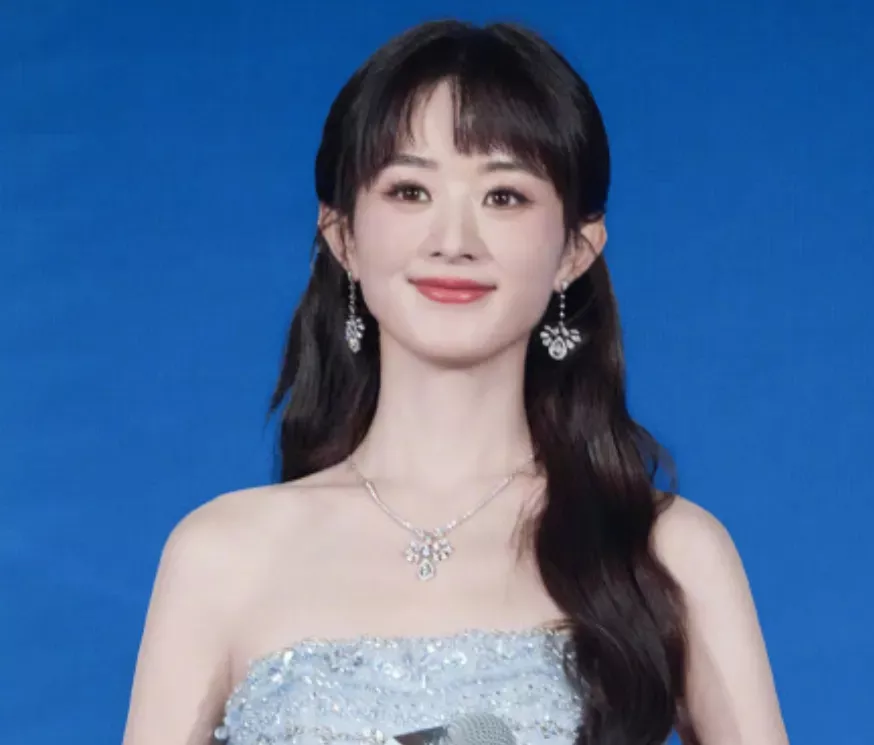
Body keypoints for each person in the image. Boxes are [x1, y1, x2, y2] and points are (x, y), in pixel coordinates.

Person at [122, 20, 788, 745]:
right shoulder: (220, 555)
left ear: (575, 249)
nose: (453, 241)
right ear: (343, 237)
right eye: (410, 191)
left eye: (504, 196)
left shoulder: (669, 552)